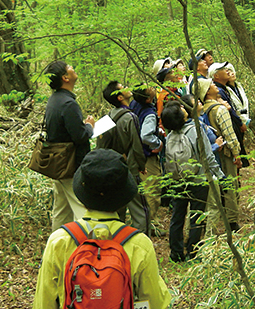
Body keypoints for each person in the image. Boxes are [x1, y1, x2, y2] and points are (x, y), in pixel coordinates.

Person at [33, 149, 171, 309]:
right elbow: (155, 302)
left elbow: (44, 302)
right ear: (123, 197)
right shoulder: (140, 245)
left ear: (82, 195)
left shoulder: (59, 241)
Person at [161, 100, 224, 262]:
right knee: (197, 216)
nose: (183, 107)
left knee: (177, 216)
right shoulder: (195, 130)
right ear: (181, 116)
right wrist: (220, 175)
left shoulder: (170, 135)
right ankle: (193, 251)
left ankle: (175, 252)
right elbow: (207, 155)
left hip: (178, 181)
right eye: (180, 108)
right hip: (199, 179)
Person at [43, 61, 95, 231]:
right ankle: (89, 248)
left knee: (61, 209)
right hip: (71, 165)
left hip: (58, 163)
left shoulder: (54, 100)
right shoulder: (68, 103)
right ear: (65, 78)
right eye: (70, 68)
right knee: (83, 207)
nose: (73, 68)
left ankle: (57, 248)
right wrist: (89, 126)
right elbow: (80, 136)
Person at [97, 81, 149, 234]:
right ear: (120, 97)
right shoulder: (130, 117)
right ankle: (142, 241)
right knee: (140, 209)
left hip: (112, 169)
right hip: (129, 170)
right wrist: (141, 165)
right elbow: (136, 145)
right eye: (123, 87)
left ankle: (115, 243)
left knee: (116, 210)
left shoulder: (106, 117)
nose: (128, 87)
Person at [196, 78, 242, 232]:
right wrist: (237, 153)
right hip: (226, 153)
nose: (215, 85)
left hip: (212, 154)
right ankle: (232, 221)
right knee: (230, 185)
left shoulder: (202, 110)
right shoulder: (220, 109)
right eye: (211, 85)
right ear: (207, 91)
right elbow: (230, 134)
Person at [130, 85, 164, 236]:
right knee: (152, 190)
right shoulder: (149, 113)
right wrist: (157, 143)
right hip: (147, 157)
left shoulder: (133, 105)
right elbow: (145, 136)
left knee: (142, 190)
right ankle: (150, 226)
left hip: (134, 153)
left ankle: (143, 223)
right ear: (149, 99)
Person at [208, 61, 249, 168]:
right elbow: (230, 113)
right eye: (223, 69)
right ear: (216, 75)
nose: (227, 70)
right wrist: (240, 124)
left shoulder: (224, 89)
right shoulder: (219, 91)